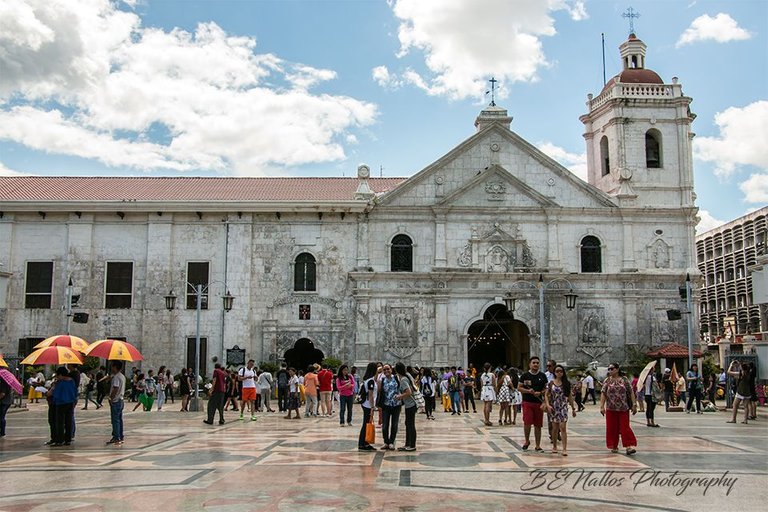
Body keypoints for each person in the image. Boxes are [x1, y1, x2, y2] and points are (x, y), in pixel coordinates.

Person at [599, 363, 637, 455]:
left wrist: (634, 403)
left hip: (623, 407)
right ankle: (614, 445)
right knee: (612, 428)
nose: (610, 371)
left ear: (617, 369)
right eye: (609, 369)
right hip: (611, 408)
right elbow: (603, 393)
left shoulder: (624, 380)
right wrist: (601, 406)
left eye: (612, 369)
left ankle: (628, 446)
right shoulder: (607, 380)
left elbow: (630, 391)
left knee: (625, 427)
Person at [544, 364, 577, 456]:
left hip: (563, 407)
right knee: (555, 428)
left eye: (561, 371)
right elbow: (546, 394)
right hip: (554, 407)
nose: (559, 373)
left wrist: (573, 408)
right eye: (557, 371)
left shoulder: (566, 383)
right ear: (554, 373)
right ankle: (554, 446)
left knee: (563, 427)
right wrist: (547, 405)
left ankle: (564, 448)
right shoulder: (551, 383)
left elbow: (569, 396)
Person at [518, 356, 548, 451]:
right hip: (527, 402)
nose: (535, 364)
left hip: (538, 403)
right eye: (533, 363)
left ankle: (538, 445)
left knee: (538, 425)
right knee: (527, 423)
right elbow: (519, 388)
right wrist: (528, 391)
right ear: (529, 364)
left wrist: (541, 393)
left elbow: (546, 389)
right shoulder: (525, 376)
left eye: (537, 363)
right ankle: (527, 441)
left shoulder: (542, 376)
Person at [51, 367, 77, 446]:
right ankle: (68, 439)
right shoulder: (72, 381)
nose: (57, 377)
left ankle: (60, 439)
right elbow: (75, 392)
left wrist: (54, 386)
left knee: (60, 422)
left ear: (61, 375)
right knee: (68, 421)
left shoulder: (61, 382)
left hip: (61, 403)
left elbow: (56, 394)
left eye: (58, 375)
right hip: (70, 403)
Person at [395, 362, 417, 451]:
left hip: (410, 404)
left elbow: (408, 392)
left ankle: (412, 445)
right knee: (408, 424)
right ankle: (408, 444)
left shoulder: (404, 379)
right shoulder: (406, 376)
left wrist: (399, 397)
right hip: (410, 405)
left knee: (410, 424)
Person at [379, 364, 401, 450]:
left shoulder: (396, 378)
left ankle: (392, 442)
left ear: (391, 369)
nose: (386, 371)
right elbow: (379, 392)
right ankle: (386, 441)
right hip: (386, 405)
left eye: (388, 369)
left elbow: (401, 387)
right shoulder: (382, 379)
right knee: (385, 425)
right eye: (384, 370)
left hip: (396, 404)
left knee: (394, 424)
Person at [358, 362, 378, 451]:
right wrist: (372, 407)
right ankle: (362, 443)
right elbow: (370, 395)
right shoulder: (371, 381)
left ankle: (366, 442)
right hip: (368, 405)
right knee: (366, 424)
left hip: (367, 404)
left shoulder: (368, 380)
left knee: (367, 423)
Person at [107, 361, 126, 445]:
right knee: (119, 419)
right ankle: (120, 436)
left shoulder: (116, 377)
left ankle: (116, 437)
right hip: (121, 400)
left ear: (115, 367)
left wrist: (111, 397)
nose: (111, 368)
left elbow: (115, 388)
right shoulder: (122, 376)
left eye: (112, 366)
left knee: (115, 420)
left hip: (116, 400)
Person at [479, 362, 496, 426]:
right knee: (488, 405)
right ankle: (487, 420)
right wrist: (496, 390)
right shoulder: (492, 375)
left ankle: (486, 419)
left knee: (485, 405)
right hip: (489, 389)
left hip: (484, 389)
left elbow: (481, 384)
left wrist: (482, 390)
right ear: (490, 368)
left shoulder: (482, 375)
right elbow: (494, 384)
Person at [0, 370, 13, 437]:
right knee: (2, 417)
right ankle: (2, 432)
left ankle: (2, 432)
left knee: (1, 417)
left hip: (3, 402)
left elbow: (2, 394)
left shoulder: (3, 382)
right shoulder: (7, 381)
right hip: (7, 401)